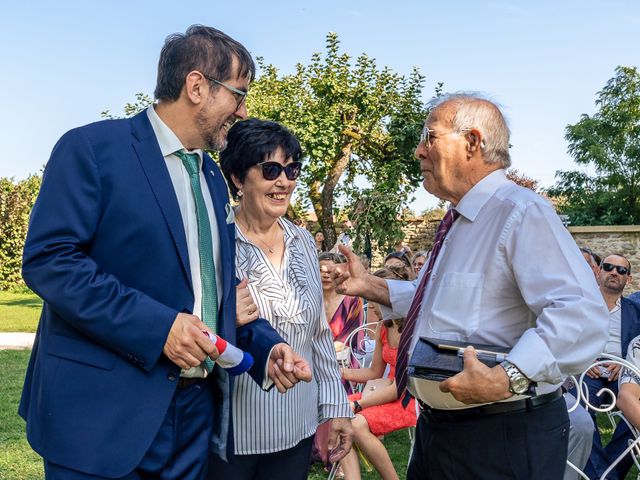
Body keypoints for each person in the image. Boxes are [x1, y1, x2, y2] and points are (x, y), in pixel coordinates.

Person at [19, 26, 312, 480]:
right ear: (197, 87)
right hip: (101, 420)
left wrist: (265, 348)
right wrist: (159, 328)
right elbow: (51, 260)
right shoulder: (93, 149)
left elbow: (211, 293)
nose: (244, 110)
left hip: (193, 421)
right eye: (239, 95)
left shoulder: (213, 179)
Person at [330, 93, 608, 479]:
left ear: (472, 142)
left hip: (500, 437)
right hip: (442, 433)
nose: (418, 151)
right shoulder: (460, 221)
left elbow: (581, 315)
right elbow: (445, 303)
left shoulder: (521, 212)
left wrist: (505, 377)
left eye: (429, 137)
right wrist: (373, 287)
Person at [209, 118, 353, 480]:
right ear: (238, 178)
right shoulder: (216, 240)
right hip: (233, 436)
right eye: (271, 169)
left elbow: (318, 334)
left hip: (297, 429)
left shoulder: (302, 240)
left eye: (292, 170)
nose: (284, 181)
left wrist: (335, 410)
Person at [340, 266, 417, 480]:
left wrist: (357, 404)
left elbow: (397, 388)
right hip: (384, 390)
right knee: (336, 409)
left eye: (373, 298)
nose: (370, 305)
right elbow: (375, 371)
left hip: (409, 398)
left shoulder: (413, 331)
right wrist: (341, 372)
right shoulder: (383, 327)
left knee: (355, 422)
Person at [579, 254, 640, 479]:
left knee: (635, 410)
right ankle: (600, 476)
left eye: (621, 270)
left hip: (622, 373)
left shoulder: (635, 311)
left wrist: (623, 364)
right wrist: (585, 360)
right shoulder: (580, 306)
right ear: (599, 272)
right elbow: (568, 340)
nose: (614, 272)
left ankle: (609, 473)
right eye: (609, 267)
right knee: (579, 410)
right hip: (587, 371)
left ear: (628, 279)